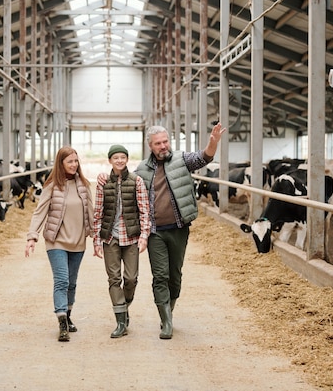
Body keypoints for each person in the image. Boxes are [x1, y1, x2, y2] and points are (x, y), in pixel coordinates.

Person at [99, 122, 225, 339]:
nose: (163, 146)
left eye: (165, 141)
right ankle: (166, 321)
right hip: (155, 232)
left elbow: (204, 157)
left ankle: (169, 310)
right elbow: (124, 181)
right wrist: (105, 176)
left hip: (179, 228)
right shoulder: (142, 170)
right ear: (151, 146)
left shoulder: (182, 160)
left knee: (175, 276)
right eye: (158, 143)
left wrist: (212, 144)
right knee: (160, 276)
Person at [25, 146, 94, 342]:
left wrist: (97, 237)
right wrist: (32, 236)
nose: (74, 165)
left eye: (76, 161)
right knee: (62, 280)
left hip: (78, 241)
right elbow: (40, 212)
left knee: (72, 283)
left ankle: (69, 315)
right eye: (70, 161)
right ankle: (62, 321)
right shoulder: (52, 186)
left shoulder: (84, 185)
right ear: (61, 164)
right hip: (56, 241)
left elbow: (91, 211)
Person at [93, 144, 151, 338]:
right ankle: (120, 321)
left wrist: (144, 237)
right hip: (110, 237)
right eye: (115, 157)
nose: (119, 160)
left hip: (131, 236)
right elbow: (98, 211)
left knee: (131, 278)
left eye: (122, 157)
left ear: (127, 159)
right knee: (113, 279)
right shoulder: (103, 182)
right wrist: (95, 240)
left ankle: (124, 306)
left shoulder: (137, 181)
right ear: (110, 160)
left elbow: (144, 211)